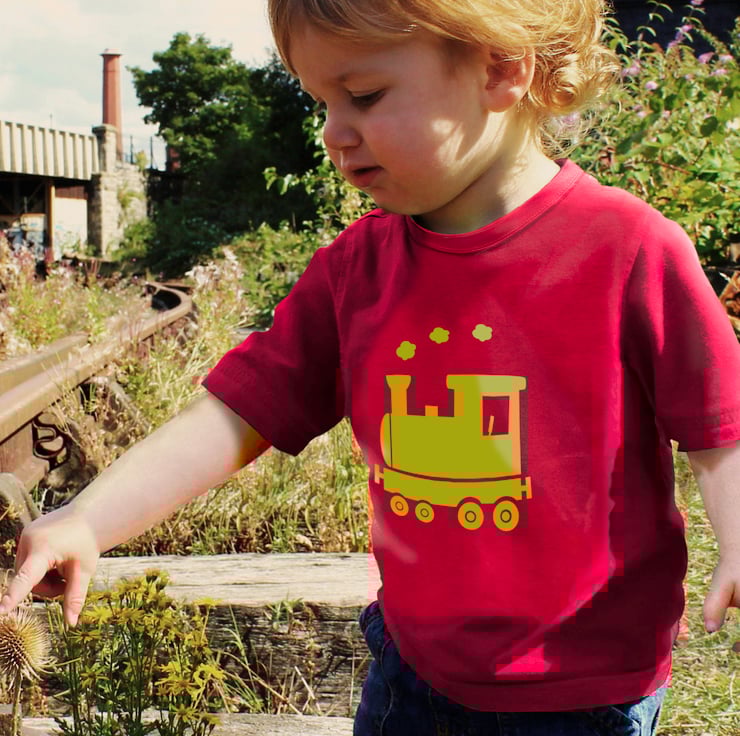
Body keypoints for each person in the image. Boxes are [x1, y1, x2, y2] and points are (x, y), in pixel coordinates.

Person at [2, 0, 740, 733]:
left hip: (582, 689)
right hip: (411, 672)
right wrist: (89, 518)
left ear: (500, 69)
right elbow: (234, 416)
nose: (333, 132)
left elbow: (720, 428)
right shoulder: (356, 271)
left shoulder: (628, 250)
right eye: (321, 102)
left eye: (363, 95)